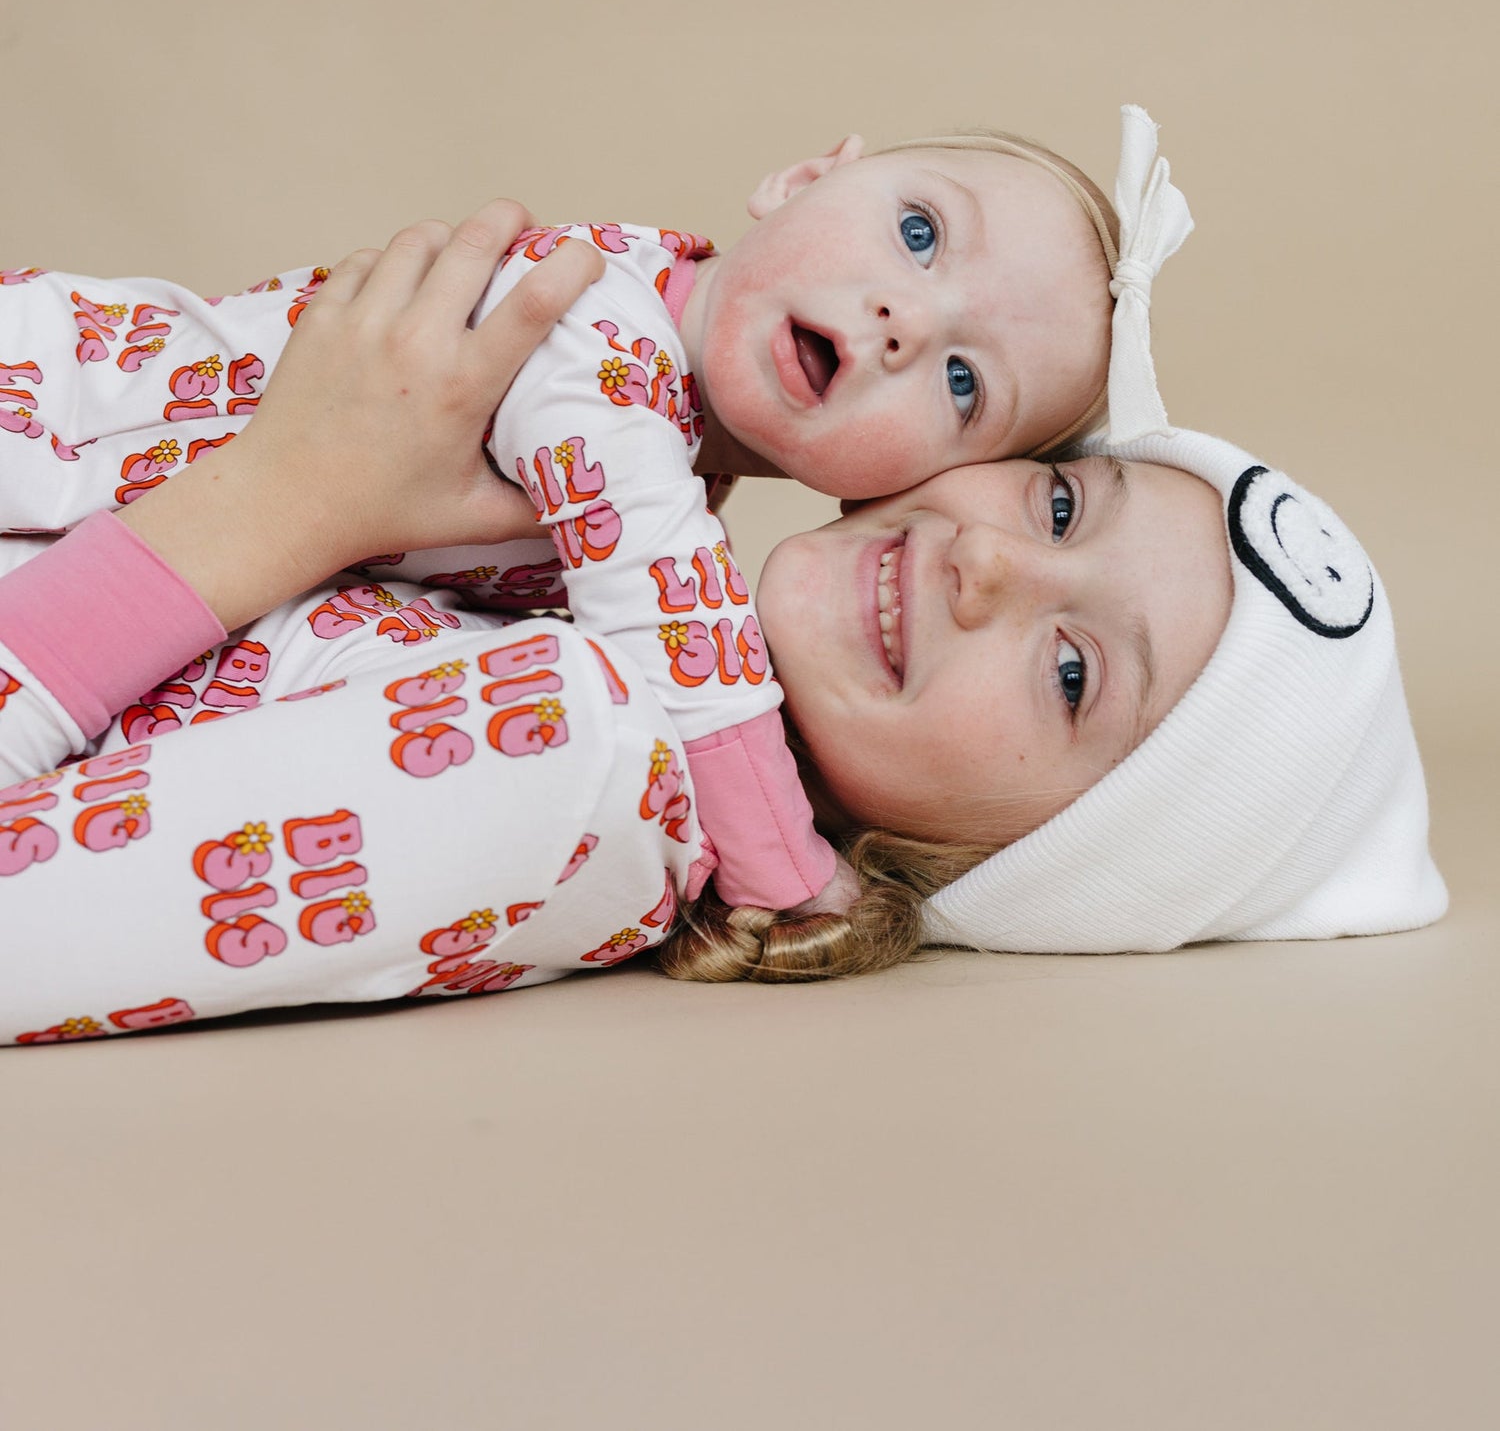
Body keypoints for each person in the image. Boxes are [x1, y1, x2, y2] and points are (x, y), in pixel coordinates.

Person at [0, 205, 1446, 1040]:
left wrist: (283, 498)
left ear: (1030, 862)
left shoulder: (577, 765)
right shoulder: (591, 546)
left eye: (1072, 672)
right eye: (1063, 505)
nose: (990, 562)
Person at [0, 106, 1188, 925]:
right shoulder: (594, 334)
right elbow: (676, 631)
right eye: (919, 233)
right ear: (803, 179)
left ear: (909, 481)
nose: (904, 323)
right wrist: (785, 871)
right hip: (42, 415)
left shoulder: (679, 457)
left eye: (964, 384)